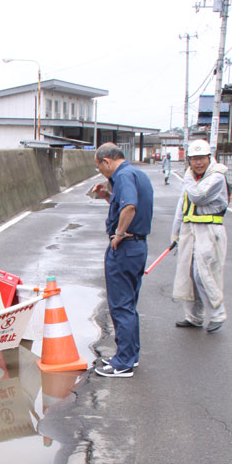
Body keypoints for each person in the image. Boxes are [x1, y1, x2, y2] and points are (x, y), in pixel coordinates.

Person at [91, 143, 154, 378]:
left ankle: (123, 362)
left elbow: (129, 207)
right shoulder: (137, 174)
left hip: (125, 247)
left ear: (107, 161)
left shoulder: (123, 176)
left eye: (99, 167)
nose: (101, 172)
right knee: (128, 304)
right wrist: (108, 196)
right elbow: (125, 205)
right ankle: (130, 355)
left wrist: (118, 234)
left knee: (120, 306)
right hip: (137, 246)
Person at [171, 139, 228, 333]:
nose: (198, 163)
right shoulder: (191, 178)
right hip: (190, 230)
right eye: (194, 159)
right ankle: (194, 316)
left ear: (209, 158)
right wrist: (175, 234)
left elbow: (198, 196)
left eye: (202, 158)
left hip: (210, 231)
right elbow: (182, 207)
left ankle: (218, 314)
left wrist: (187, 177)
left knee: (203, 274)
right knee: (188, 274)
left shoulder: (216, 177)